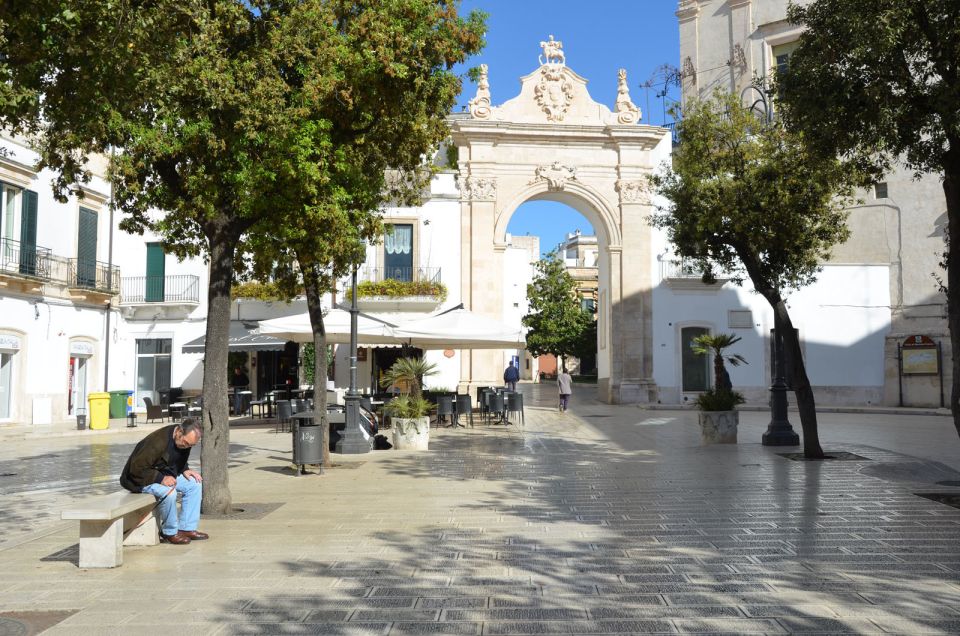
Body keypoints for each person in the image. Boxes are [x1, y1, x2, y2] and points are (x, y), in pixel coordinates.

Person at [120, 418, 207, 544]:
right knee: (169, 492)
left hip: (165, 474)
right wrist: (161, 479)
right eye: (186, 443)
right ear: (179, 432)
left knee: (194, 484)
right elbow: (136, 469)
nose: (187, 447)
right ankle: (169, 532)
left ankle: (186, 528)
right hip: (139, 480)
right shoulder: (156, 442)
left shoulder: (183, 440)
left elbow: (178, 458)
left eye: (191, 445)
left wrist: (185, 469)